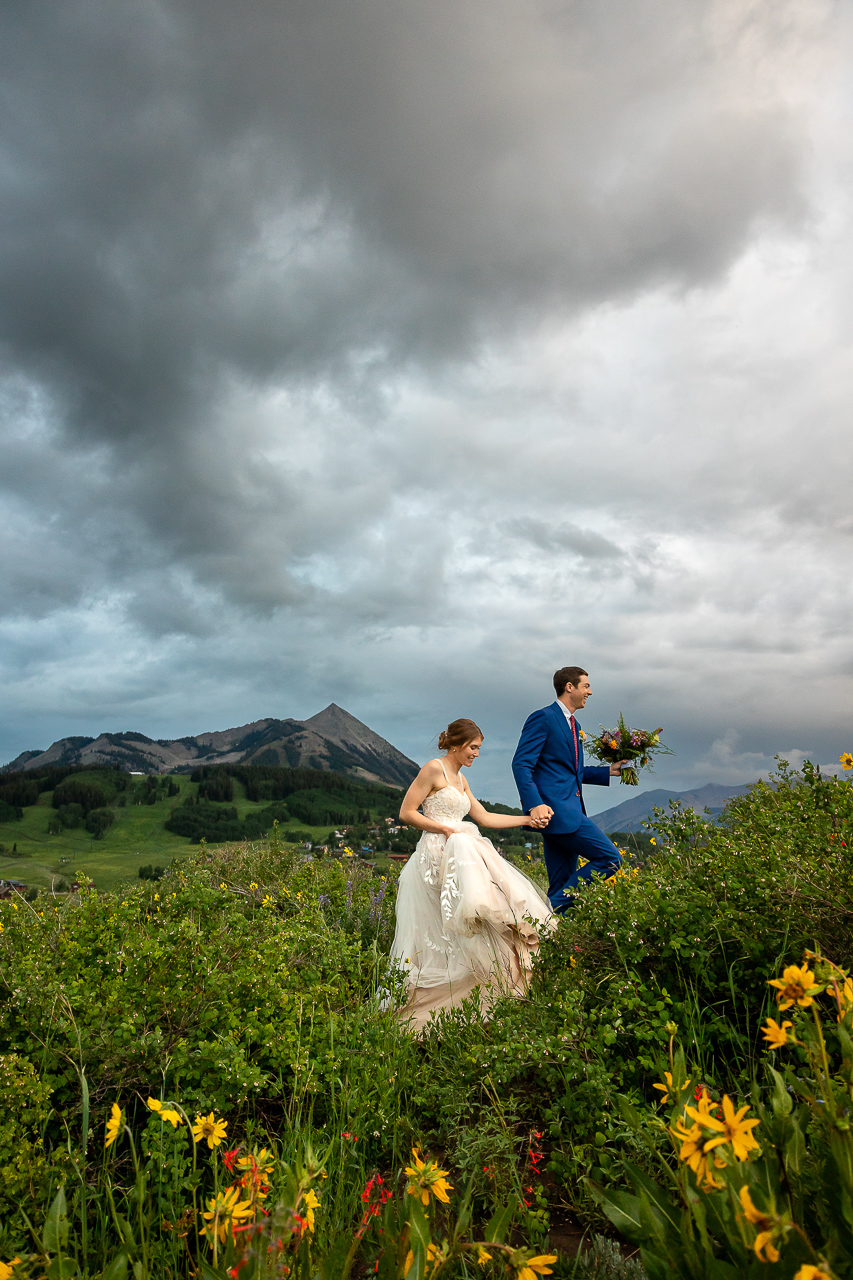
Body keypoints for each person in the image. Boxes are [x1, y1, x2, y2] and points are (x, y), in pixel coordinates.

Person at [390, 718, 554, 1031]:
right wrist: (445, 829)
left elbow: (484, 818)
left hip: (463, 852)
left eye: (478, 748)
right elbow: (407, 812)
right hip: (437, 854)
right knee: (440, 933)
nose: (477, 754)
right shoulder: (433, 769)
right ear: (456, 744)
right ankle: (427, 1003)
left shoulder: (461, 779)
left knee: (472, 926)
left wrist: (527, 820)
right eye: (474, 747)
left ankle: (477, 996)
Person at [512, 667, 627, 913]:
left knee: (561, 883)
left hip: (567, 813)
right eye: (586, 686)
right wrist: (535, 805)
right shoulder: (543, 717)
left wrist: (608, 771)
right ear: (569, 687)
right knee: (610, 858)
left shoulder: (575, 725)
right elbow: (521, 764)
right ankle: (552, 908)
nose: (590, 691)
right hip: (555, 812)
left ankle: (551, 936)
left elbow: (571, 772)